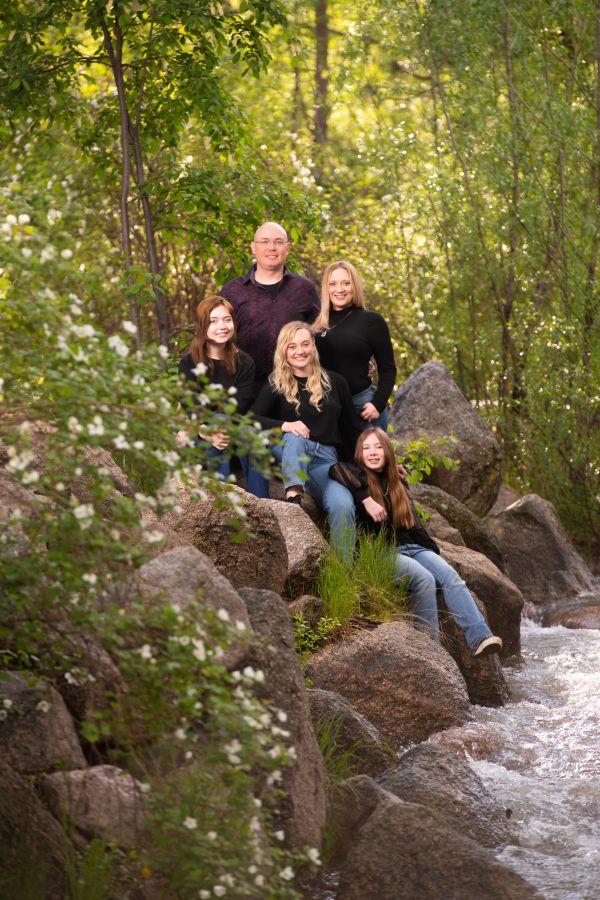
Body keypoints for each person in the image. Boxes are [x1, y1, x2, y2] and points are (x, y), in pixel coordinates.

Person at [331, 427, 503, 657]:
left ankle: (480, 637)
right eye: (366, 448)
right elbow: (335, 469)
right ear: (359, 454)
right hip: (383, 552)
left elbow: (413, 526)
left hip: (412, 547)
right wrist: (366, 500)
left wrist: (431, 551)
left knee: (450, 575)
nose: (372, 452)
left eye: (378, 447)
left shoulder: (397, 482)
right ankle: (429, 649)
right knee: (424, 578)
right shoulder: (355, 475)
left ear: (388, 452)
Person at [252, 322, 363, 562]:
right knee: (294, 436)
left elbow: (353, 431)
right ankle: (293, 498)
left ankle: (343, 573)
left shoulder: (335, 382)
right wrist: (286, 425)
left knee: (343, 505)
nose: (299, 351)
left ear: (313, 346)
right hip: (291, 449)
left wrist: (382, 465)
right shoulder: (277, 384)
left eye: (305, 344)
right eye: (292, 346)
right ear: (284, 351)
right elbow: (251, 420)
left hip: (325, 462)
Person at [221, 222, 320, 398]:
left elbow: (320, 334)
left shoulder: (304, 289)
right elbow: (216, 339)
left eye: (278, 242)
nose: (271, 248)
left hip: (295, 390)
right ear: (253, 247)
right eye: (264, 242)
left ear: (288, 247)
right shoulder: (233, 291)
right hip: (245, 389)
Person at [178, 295, 265, 494]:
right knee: (218, 419)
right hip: (200, 434)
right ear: (202, 326)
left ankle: (263, 507)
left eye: (227, 319)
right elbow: (190, 405)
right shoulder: (189, 363)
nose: (222, 326)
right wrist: (205, 431)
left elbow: (238, 407)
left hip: (233, 431)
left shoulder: (244, 362)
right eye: (213, 321)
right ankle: (224, 505)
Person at [314, 260, 396, 431]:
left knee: (369, 459)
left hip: (362, 408)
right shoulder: (315, 323)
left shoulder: (372, 321)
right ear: (326, 288)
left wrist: (378, 404)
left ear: (355, 286)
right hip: (325, 410)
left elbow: (388, 369)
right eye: (333, 284)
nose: (340, 289)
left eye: (346, 283)